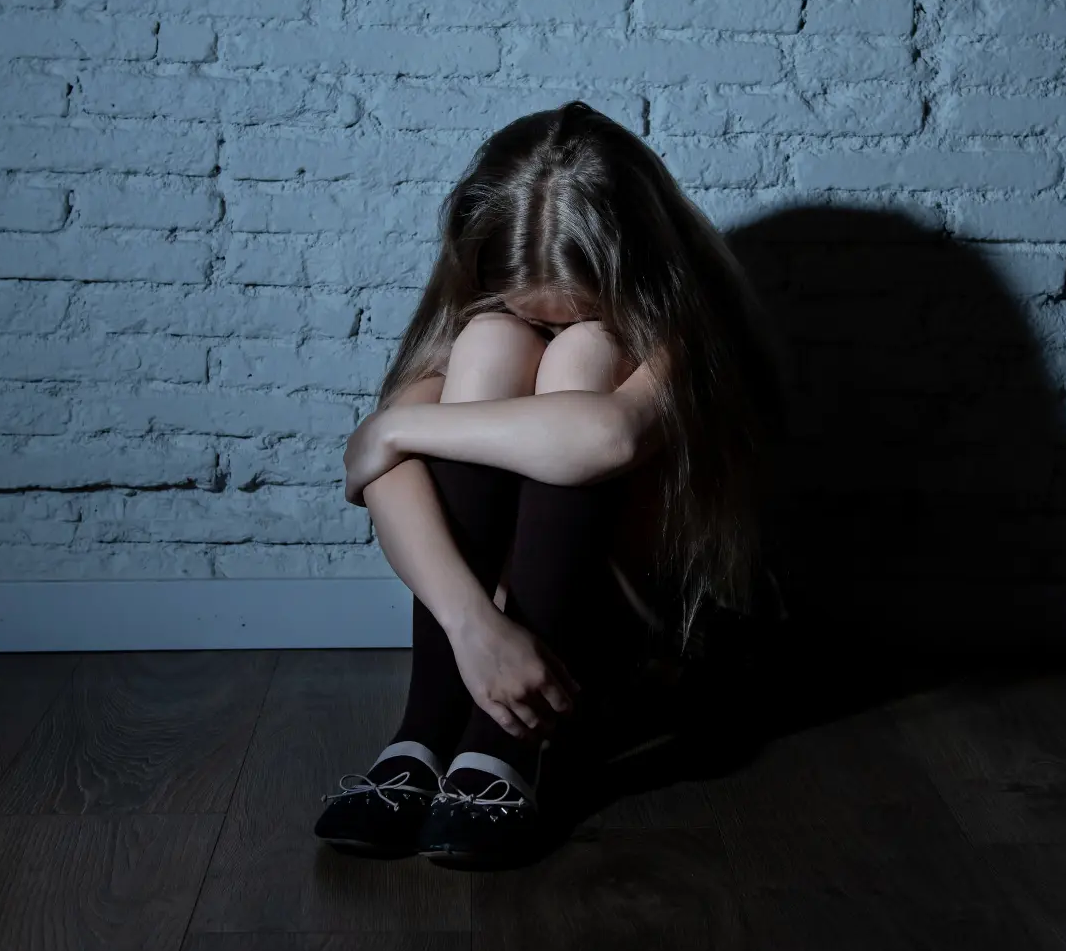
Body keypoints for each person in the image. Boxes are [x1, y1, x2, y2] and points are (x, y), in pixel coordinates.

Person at [313, 99, 787, 869]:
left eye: (573, 310)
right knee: (489, 344)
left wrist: (395, 427)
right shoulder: (487, 315)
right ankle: (429, 733)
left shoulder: (693, 328)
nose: (550, 329)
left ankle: (506, 747)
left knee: (584, 364)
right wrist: (474, 625)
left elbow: (608, 437)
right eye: (534, 311)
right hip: (493, 636)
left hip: (635, 629)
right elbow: (389, 485)